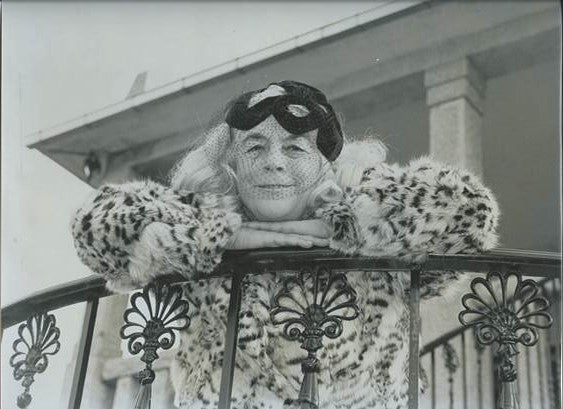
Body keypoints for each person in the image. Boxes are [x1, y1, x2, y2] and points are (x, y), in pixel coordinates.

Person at [71, 80, 499, 409]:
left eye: (295, 147)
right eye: (255, 145)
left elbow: (470, 215)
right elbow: (97, 229)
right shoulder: (204, 228)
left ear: (326, 165)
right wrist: (214, 235)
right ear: (233, 163)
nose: (274, 159)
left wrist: (343, 226)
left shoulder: (373, 233)